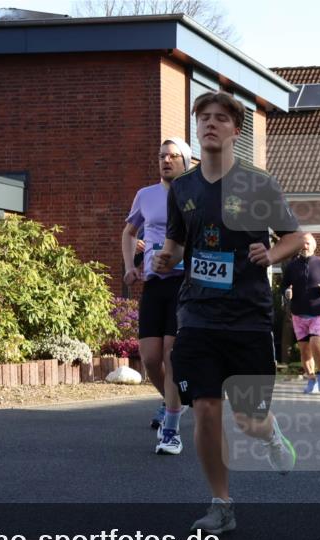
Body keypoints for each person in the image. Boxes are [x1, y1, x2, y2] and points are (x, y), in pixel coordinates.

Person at [155, 90, 303, 535]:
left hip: (249, 316)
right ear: (196, 129)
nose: (211, 124)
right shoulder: (182, 188)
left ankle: (272, 434)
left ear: (235, 131)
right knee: (204, 407)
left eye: (221, 118)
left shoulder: (259, 185)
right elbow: (179, 242)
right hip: (197, 313)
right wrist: (166, 257)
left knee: (248, 419)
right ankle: (221, 502)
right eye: (204, 118)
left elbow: (295, 237)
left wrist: (271, 254)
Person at [122, 137, 192, 454]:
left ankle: (171, 429)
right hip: (153, 283)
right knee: (150, 357)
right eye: (162, 156)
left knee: (171, 353)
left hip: (184, 283)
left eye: (173, 156)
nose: (166, 160)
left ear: (185, 161)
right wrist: (129, 266)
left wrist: (181, 257)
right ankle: (170, 400)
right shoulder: (145, 195)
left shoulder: (195, 195)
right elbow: (129, 232)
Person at [281, 233, 320, 393]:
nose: (304, 246)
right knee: (305, 349)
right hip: (298, 313)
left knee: (315, 343)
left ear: (314, 246)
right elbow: (284, 285)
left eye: (307, 243)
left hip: (319, 311)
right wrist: (287, 292)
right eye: (302, 244)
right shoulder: (292, 266)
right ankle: (311, 379)